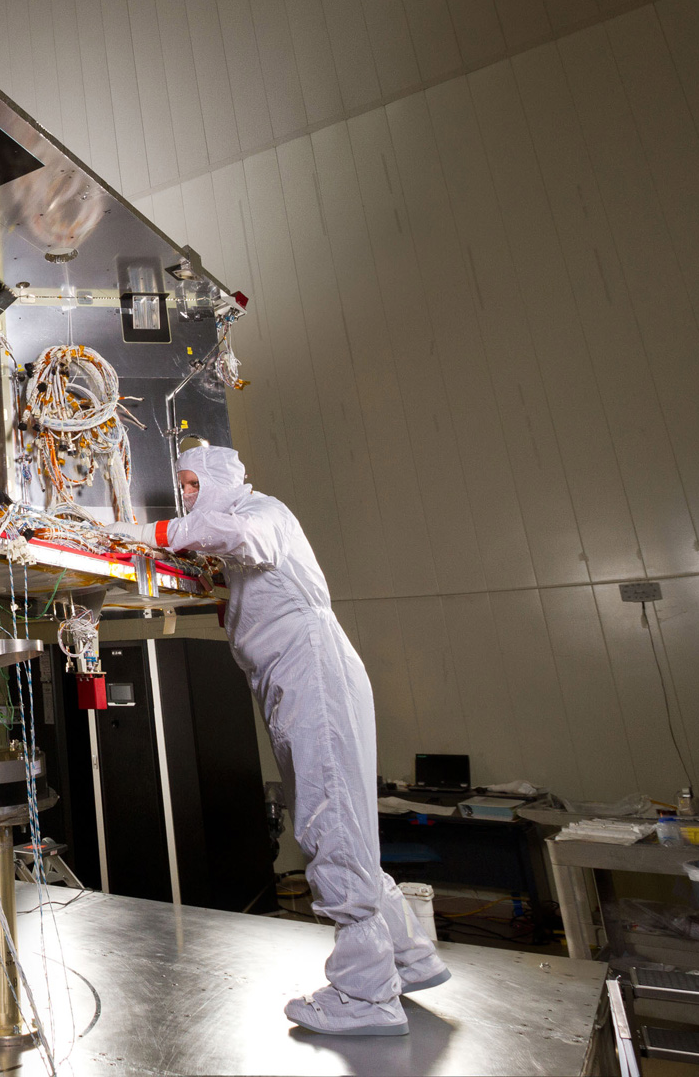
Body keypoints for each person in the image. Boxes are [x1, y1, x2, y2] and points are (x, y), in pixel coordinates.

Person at [124, 444, 447, 1036]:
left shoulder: (264, 513)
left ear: (221, 481)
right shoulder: (243, 531)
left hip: (311, 676)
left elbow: (249, 538)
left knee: (330, 819)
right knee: (339, 816)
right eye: (183, 487)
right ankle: (411, 958)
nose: (188, 494)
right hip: (294, 677)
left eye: (194, 484)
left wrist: (148, 530)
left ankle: (365, 995)